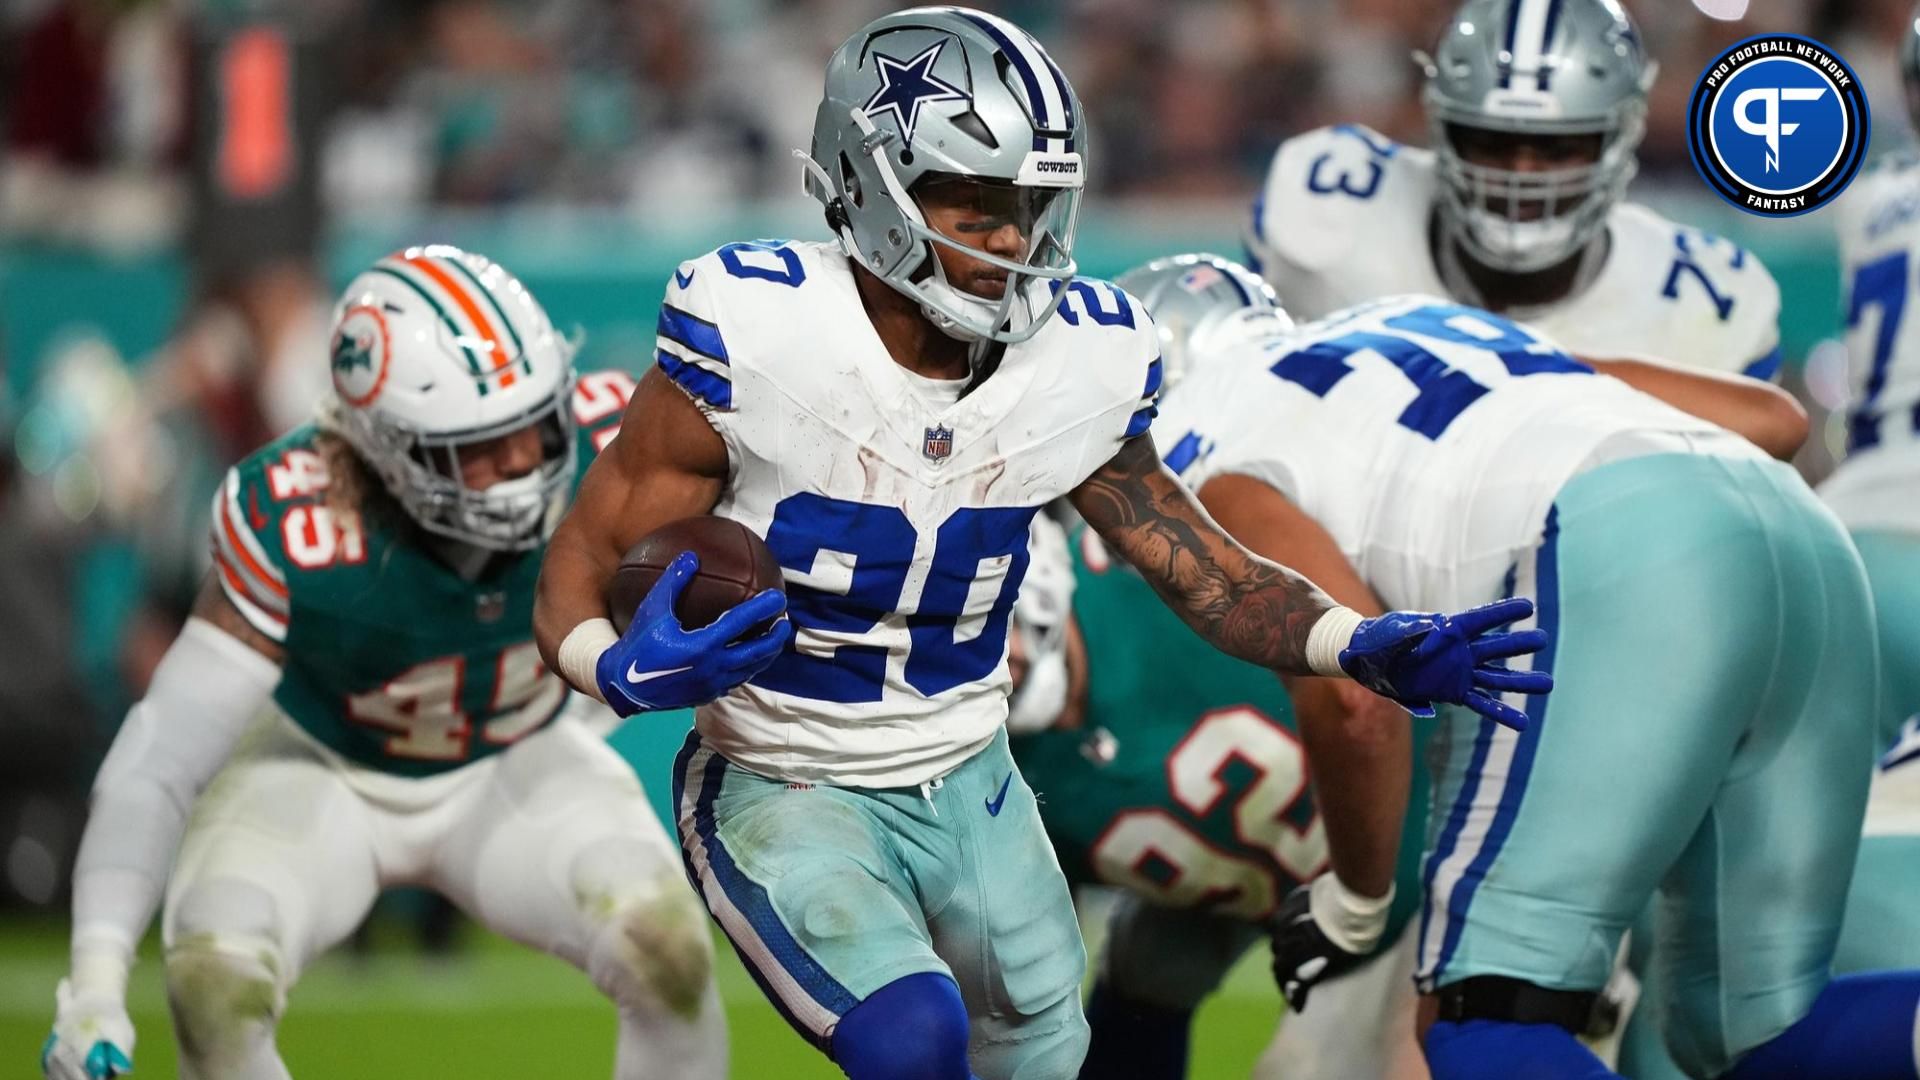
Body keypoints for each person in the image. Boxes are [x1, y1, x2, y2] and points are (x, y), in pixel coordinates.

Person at [531, 9, 1550, 1079]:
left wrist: (1356, 643)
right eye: (974, 198)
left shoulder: (1083, 360)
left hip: (976, 782)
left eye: (1029, 203)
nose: (1011, 237)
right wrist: (614, 667)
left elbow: (1201, 570)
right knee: (911, 1042)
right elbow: (579, 564)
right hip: (786, 780)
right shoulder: (756, 333)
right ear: (868, 183)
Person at [1144, 268, 1917, 1080]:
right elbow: (1773, 421)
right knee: (1743, 1028)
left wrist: (1357, 899)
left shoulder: (1198, 443)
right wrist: (1537, 376)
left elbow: (1352, 696)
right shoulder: (1415, 323)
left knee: (1486, 1015)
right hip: (1809, 537)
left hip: (1619, 544)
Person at [40, 246, 725, 1080]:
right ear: (382, 449)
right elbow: (161, 755)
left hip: (515, 761)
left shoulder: (609, 442)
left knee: (670, 956)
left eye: (534, 424)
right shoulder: (295, 516)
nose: (523, 463)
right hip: (323, 770)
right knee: (214, 985)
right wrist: (97, 979)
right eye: (479, 447)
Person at [1246, 0, 1781, 382]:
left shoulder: (1704, 299)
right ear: (1442, 129)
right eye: (1491, 140)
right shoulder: (1331, 214)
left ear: (1618, 139)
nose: (1522, 171)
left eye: (1557, 147)